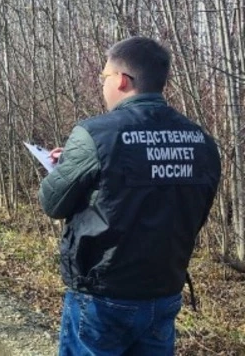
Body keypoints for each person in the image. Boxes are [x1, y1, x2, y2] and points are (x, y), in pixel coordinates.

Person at [38, 36, 221, 355]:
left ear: (122, 80)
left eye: (104, 77)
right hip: (163, 293)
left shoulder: (96, 134)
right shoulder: (201, 141)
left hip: (103, 296)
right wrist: (81, 162)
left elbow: (53, 203)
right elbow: (194, 211)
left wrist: (66, 167)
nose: (103, 84)